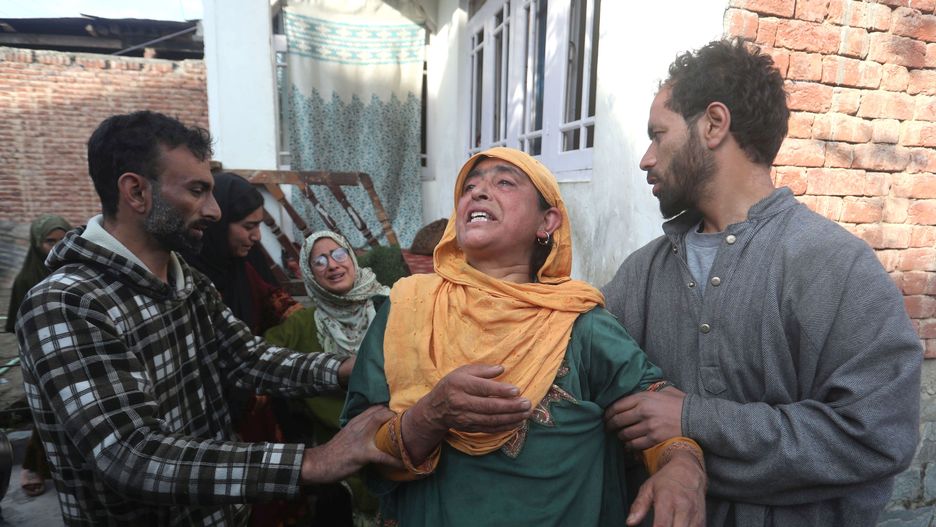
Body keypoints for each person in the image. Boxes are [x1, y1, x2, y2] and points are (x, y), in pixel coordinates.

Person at [14, 110, 398, 526]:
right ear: (136, 192)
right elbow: (133, 454)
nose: (214, 211)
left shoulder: (187, 282)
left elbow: (246, 358)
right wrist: (315, 461)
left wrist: (353, 368)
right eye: (197, 190)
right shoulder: (66, 304)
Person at [601, 39, 922, 527]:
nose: (646, 158)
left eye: (657, 134)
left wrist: (695, 420)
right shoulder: (640, 273)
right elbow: (597, 400)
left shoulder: (835, 265)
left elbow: (876, 436)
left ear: (713, 124)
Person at [343, 146, 707, 527]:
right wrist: (429, 416)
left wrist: (681, 464)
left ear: (546, 221)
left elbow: (655, 412)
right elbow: (360, 441)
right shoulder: (407, 308)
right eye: (469, 187)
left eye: (504, 182)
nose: (478, 192)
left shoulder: (576, 322)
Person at [179, 171, 307, 527]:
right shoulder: (185, 279)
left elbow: (277, 306)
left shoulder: (240, 268)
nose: (256, 236)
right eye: (248, 226)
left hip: (254, 406)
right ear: (219, 224)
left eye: (260, 226)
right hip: (209, 420)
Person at [266, 230, 390, 526]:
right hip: (338, 459)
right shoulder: (302, 325)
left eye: (338, 254)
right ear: (309, 274)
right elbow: (258, 363)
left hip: (398, 439)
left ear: (351, 257)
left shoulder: (391, 305)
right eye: (319, 261)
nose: (333, 265)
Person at [4, 214, 71, 497]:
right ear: (36, 243)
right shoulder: (28, 279)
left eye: (62, 240)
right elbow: (21, 328)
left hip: (76, 352)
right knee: (47, 416)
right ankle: (33, 467)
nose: (55, 247)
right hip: (44, 358)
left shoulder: (78, 270)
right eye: (49, 241)